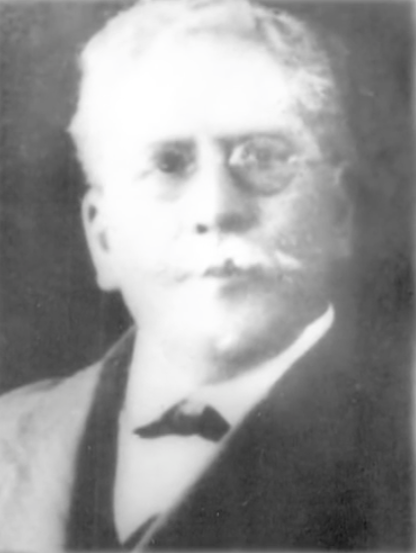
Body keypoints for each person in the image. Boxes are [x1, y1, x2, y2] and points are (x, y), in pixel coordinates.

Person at [0, 0, 411, 550]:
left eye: (263, 157)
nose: (215, 209)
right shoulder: (10, 437)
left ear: (338, 215)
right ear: (104, 238)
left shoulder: (400, 438)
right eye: (167, 163)